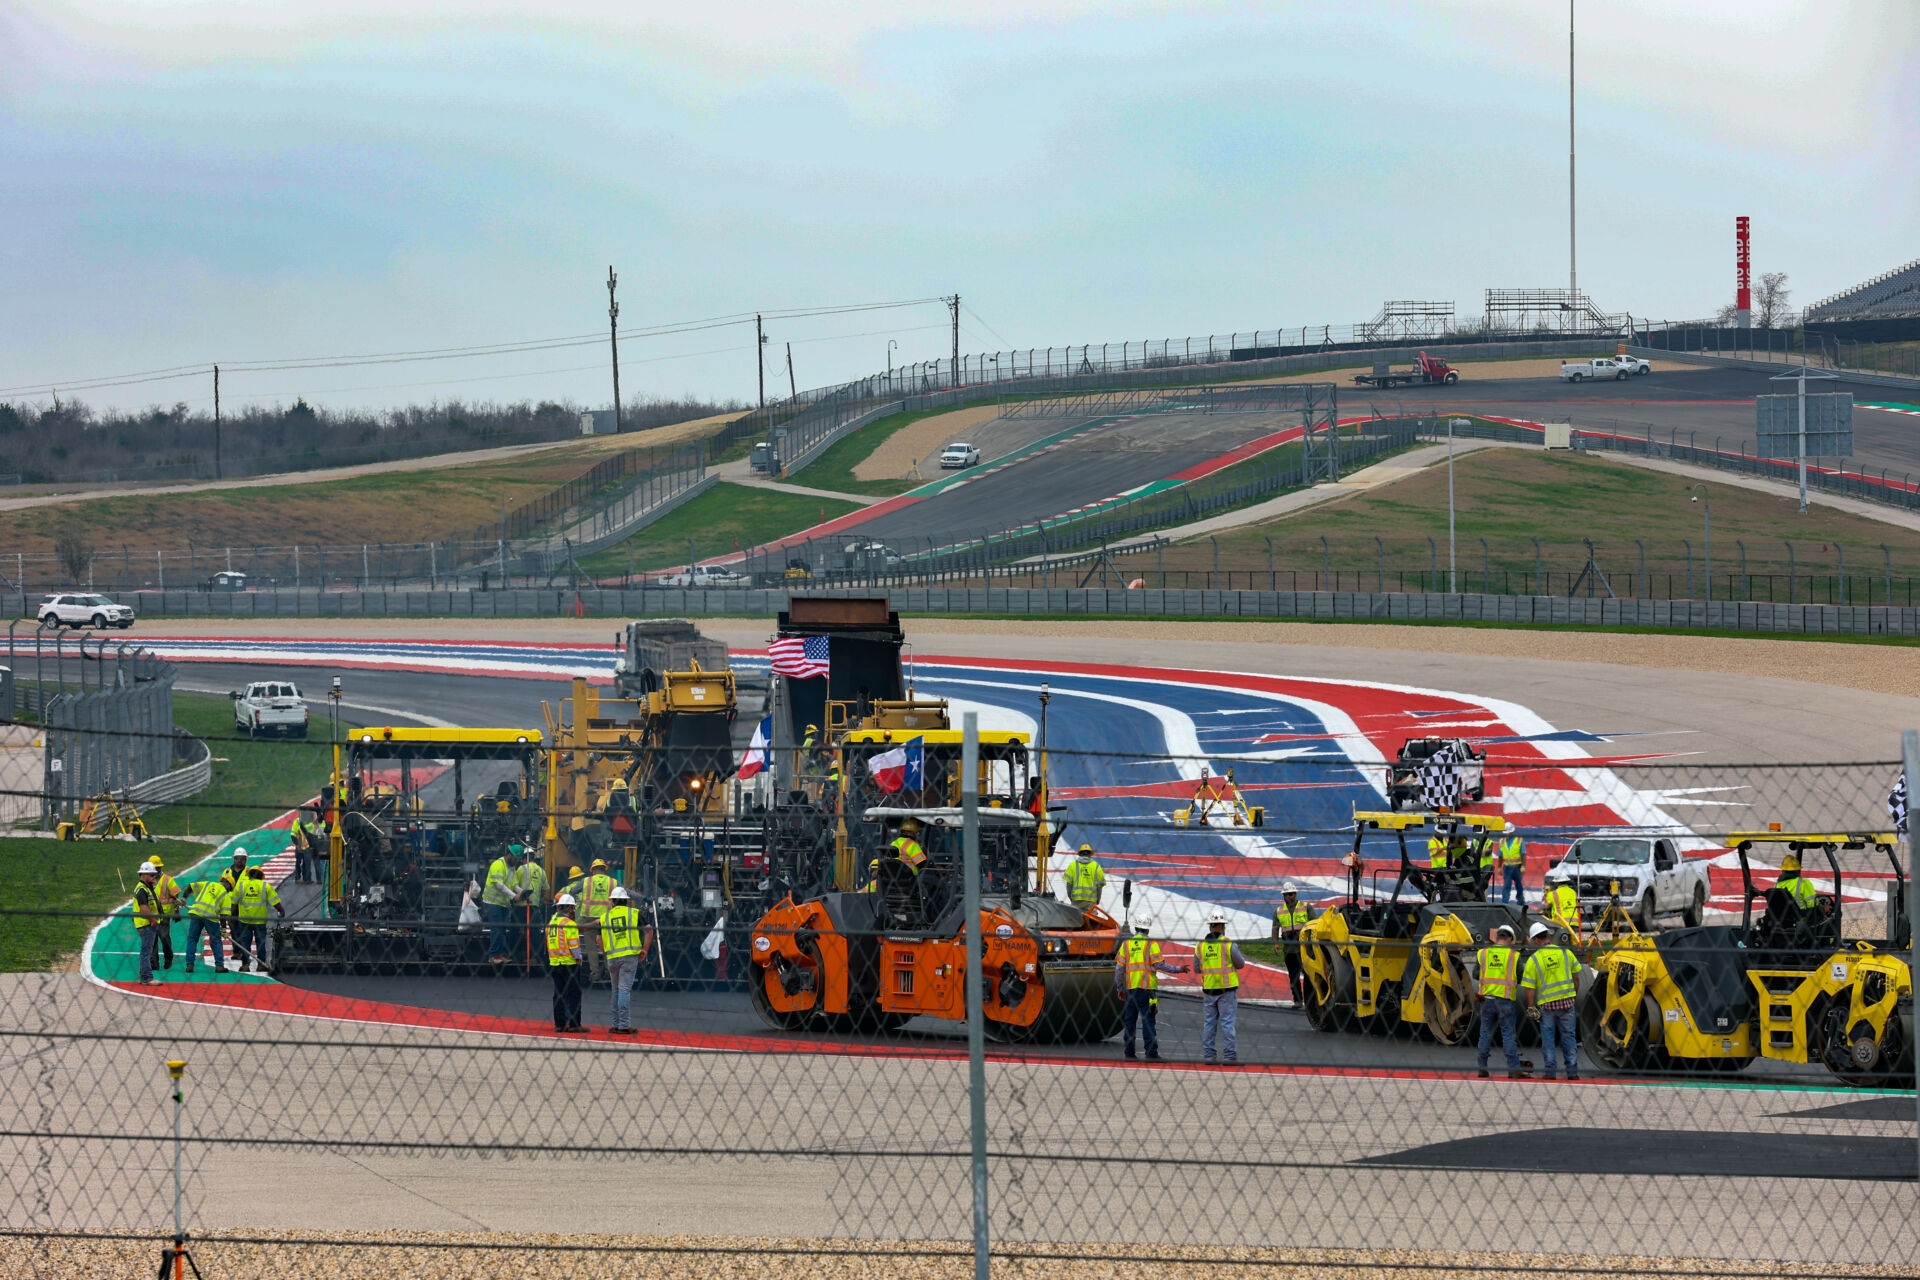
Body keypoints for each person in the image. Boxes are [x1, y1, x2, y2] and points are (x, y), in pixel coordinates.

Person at [1116, 914, 1186, 1060]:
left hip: (1130, 990)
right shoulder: (1151, 944)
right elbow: (1159, 965)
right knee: (1148, 1022)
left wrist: (1120, 988)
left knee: (1130, 1023)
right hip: (1147, 989)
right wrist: (1178, 969)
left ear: (1135, 928)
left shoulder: (1126, 945)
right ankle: (1151, 1053)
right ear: (1148, 929)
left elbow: (1119, 970)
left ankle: (1129, 1053)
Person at [1521, 920, 1581, 1081]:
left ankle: (1551, 1072)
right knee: (1569, 1037)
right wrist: (1573, 994)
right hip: (1567, 1004)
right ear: (1548, 936)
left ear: (1536, 940)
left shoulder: (1534, 960)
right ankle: (1572, 1072)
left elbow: (1529, 988)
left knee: (1548, 1039)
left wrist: (1531, 1006)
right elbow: (1576, 977)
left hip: (1547, 1007)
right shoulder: (1565, 952)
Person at [1473, 923, 1529, 1079]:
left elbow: (1476, 974)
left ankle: (1482, 1068)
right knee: (1508, 1035)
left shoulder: (1483, 953)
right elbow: (1521, 976)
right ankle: (1513, 1069)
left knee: (1485, 1034)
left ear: (1497, 937)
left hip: (1486, 1000)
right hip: (1505, 1001)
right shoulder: (1513, 956)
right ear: (1510, 938)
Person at [1196, 909, 1246, 1065]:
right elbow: (1241, 964)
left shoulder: (1200, 946)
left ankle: (1209, 1056)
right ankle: (1230, 1057)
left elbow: (1197, 968)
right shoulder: (1228, 944)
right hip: (1227, 989)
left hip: (1209, 989)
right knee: (1227, 1023)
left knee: (1209, 1023)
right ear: (1223, 926)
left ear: (1211, 926)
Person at [600, 886, 651, 1035]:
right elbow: (649, 930)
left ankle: (616, 1024)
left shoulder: (605, 917)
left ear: (612, 901)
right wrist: (645, 949)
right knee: (624, 990)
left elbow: (598, 938)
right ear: (626, 901)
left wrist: (606, 953)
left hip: (612, 957)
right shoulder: (634, 913)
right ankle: (623, 1025)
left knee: (615, 989)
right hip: (629, 957)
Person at [230, 864, 285, 974]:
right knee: (260, 943)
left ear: (249, 875)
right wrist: (282, 911)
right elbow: (275, 902)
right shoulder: (265, 886)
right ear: (261, 876)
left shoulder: (241, 885)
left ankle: (245, 965)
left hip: (245, 920)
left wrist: (232, 917)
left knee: (245, 943)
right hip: (260, 920)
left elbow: (234, 904)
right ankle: (261, 965)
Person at [546, 893, 585, 1032]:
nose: (573, 911)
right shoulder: (569, 924)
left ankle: (559, 1024)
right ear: (568, 908)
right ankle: (574, 1024)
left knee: (559, 994)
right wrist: (579, 957)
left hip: (555, 962)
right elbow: (574, 945)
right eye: (573, 908)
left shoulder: (551, 924)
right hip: (569, 962)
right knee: (574, 993)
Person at [481, 844, 525, 965]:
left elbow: (514, 885)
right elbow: (499, 885)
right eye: (515, 858)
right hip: (492, 903)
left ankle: (502, 954)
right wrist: (513, 896)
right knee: (497, 929)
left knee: (502, 929)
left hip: (503, 904)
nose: (516, 861)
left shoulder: (511, 868)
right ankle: (494, 955)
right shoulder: (498, 864)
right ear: (509, 855)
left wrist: (523, 893)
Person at [1269, 885, 1311, 1009]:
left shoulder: (1306, 907)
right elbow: (1275, 929)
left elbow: (1315, 923)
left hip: (1304, 949)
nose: (1289, 896)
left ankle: (1311, 1000)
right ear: (1283, 896)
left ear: (1295, 894)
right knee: (1293, 977)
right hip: (1289, 950)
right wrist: (1275, 943)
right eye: (1287, 894)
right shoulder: (1279, 911)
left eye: (1291, 894)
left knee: (1309, 975)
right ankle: (1297, 1000)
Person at [182, 873, 230, 974]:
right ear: (228, 885)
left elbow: (191, 886)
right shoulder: (225, 894)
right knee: (216, 940)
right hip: (211, 917)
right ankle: (219, 966)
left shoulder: (208, 884)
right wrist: (223, 929)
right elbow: (224, 915)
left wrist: (184, 898)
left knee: (192, 939)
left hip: (197, 913)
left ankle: (189, 965)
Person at [579, 859, 618, 984]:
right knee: (607, 946)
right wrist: (643, 898)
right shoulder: (613, 882)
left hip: (589, 918)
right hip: (606, 918)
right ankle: (608, 972)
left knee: (591, 948)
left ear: (593, 870)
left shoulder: (586, 881)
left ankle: (595, 973)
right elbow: (626, 892)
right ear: (604, 869)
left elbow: (572, 891)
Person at [132, 861, 164, 986]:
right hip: (146, 924)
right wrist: (153, 920)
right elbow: (143, 908)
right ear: (144, 874)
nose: (154, 877)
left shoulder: (147, 887)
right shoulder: (142, 889)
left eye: (154, 875)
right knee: (146, 951)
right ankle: (147, 978)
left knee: (147, 951)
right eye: (151, 875)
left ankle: (145, 976)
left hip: (147, 924)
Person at [149, 855, 181, 971]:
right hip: (151, 915)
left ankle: (168, 957)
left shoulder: (168, 880)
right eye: (154, 869)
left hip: (164, 916)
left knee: (164, 937)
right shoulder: (147, 881)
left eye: (158, 868)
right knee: (152, 938)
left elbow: (176, 896)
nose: (156, 871)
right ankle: (154, 963)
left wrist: (177, 911)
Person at [1062, 845, 1106, 910]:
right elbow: (1099, 887)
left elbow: (1069, 885)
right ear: (1090, 854)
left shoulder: (1073, 865)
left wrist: (1071, 898)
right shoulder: (1096, 866)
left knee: (1076, 918)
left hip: (1077, 900)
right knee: (1091, 919)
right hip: (1091, 901)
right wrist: (1098, 899)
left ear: (1080, 854)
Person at [1499, 828, 1526, 905]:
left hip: (1517, 867)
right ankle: (1505, 902)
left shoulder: (1519, 841)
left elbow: (1523, 854)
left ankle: (1520, 901)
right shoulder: (1502, 841)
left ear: (1512, 832)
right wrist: (1499, 867)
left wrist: (1523, 866)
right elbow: (1500, 855)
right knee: (1507, 885)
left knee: (1519, 885)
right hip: (1507, 868)